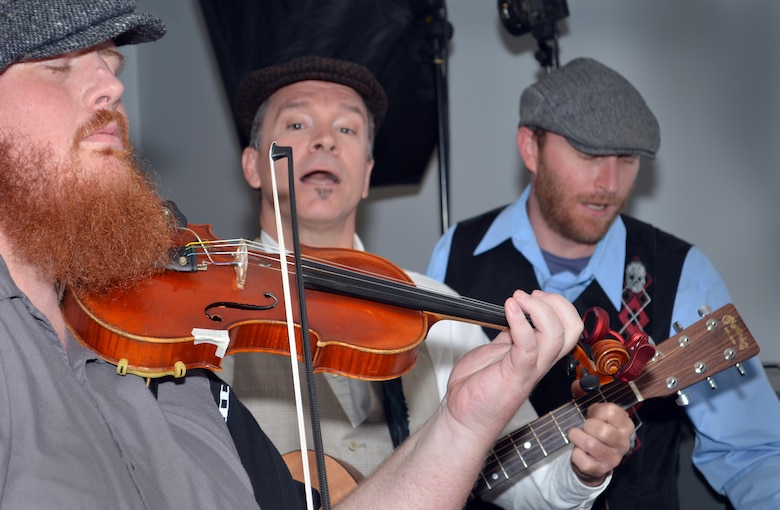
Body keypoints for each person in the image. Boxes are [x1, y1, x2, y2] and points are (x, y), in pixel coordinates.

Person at [0, 1, 587, 509]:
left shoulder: (175, 370)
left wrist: (461, 421)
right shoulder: (185, 324)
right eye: (57, 65)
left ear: (369, 175)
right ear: (252, 166)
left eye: (113, 65)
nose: (115, 86)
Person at [228, 55, 635, 509]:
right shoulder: (205, 308)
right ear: (251, 165)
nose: (325, 141)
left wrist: (581, 467)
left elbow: (531, 484)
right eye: (298, 125)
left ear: (366, 174)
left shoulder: (433, 307)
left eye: (347, 129)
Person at [426, 57, 780, 510]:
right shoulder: (456, 251)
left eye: (627, 159)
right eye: (590, 155)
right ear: (530, 149)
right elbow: (425, 426)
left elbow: (753, 454)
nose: (609, 183)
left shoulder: (682, 272)